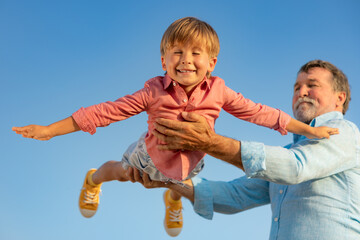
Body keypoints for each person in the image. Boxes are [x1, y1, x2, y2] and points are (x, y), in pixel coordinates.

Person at [12, 16, 337, 237]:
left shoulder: (220, 91)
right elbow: (107, 111)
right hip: (148, 157)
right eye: (176, 52)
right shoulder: (153, 90)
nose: (185, 59)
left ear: (211, 63)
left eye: (196, 53)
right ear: (164, 60)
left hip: (190, 166)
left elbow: (260, 113)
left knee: (177, 183)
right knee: (123, 173)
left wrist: (310, 131)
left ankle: (173, 198)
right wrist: (49, 130)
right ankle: (93, 178)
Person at [127, 59, 360, 239]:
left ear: (340, 98)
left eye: (312, 85)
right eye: (297, 87)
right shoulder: (289, 153)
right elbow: (234, 196)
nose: (301, 92)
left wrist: (208, 142)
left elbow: (294, 167)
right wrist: (167, 178)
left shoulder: (345, 133)